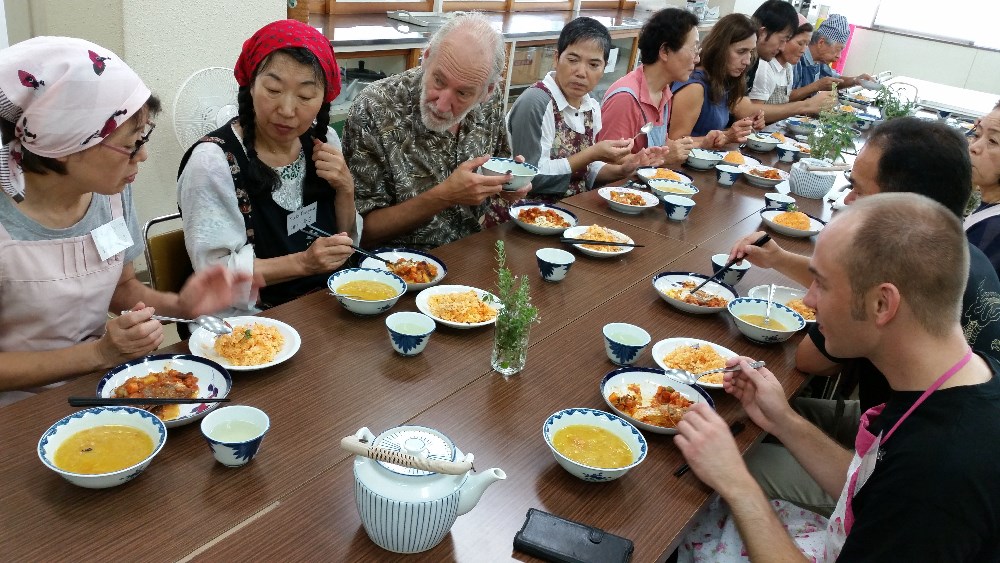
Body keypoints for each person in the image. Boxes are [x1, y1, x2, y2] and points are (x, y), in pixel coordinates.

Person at [677, 193, 1000, 560]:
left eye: (822, 284)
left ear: (882, 304)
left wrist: (738, 485)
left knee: (694, 513)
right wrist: (782, 419)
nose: (810, 300)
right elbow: (867, 487)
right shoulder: (955, 378)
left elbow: (903, 491)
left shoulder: (939, 476)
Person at [727, 116, 1000, 516]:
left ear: (898, 207)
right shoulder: (952, 255)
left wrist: (736, 482)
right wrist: (782, 260)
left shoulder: (943, 459)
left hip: (894, 469)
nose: (846, 201)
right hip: (885, 426)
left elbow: (812, 359)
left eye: (856, 188)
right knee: (754, 415)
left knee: (737, 459)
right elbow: (856, 286)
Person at [0, 37, 247, 406]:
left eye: (144, 136)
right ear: (67, 144)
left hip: (105, 388)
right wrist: (98, 354)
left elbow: (123, 289)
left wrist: (182, 304)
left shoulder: (110, 190)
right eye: (133, 142)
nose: (144, 155)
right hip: (18, 415)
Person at [178, 20, 361, 317]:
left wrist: (345, 189)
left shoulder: (323, 141)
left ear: (323, 99)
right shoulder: (213, 162)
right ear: (250, 84)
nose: (287, 110)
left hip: (324, 302)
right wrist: (303, 263)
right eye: (273, 89)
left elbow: (347, 240)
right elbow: (214, 276)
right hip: (249, 323)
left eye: (304, 96)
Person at [343, 12, 530, 250]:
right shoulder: (374, 108)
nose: (442, 105)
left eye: (463, 94)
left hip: (474, 250)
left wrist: (507, 186)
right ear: (427, 57)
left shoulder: (489, 103)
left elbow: (496, 171)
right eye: (439, 81)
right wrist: (446, 195)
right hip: (399, 268)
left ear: (487, 91)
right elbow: (360, 233)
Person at [505, 17, 667, 201]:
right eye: (573, 60)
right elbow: (530, 177)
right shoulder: (536, 103)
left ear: (604, 67)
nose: (581, 72)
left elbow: (586, 171)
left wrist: (622, 169)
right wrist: (591, 153)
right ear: (557, 59)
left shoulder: (591, 107)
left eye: (593, 65)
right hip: (525, 213)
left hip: (572, 207)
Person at [597, 8, 699, 166]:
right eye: (693, 49)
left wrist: (704, 142)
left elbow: (658, 145)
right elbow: (606, 163)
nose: (697, 58)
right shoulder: (626, 98)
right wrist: (664, 158)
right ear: (665, 51)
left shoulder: (664, 91)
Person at [732, 0, 832, 124]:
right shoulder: (747, 62)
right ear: (763, 33)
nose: (782, 47)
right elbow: (742, 110)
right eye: (782, 40)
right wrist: (806, 105)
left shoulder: (755, 61)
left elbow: (749, 110)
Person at [668, 13, 760, 146]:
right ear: (720, 48)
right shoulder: (695, 87)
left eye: (751, 52)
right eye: (741, 52)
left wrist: (744, 128)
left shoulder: (722, 80)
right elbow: (676, 142)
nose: (747, 61)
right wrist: (727, 136)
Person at [792, 14, 876, 96]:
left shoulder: (819, 63)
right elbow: (784, 98)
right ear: (821, 42)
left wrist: (855, 80)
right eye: (838, 49)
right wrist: (816, 86)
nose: (839, 56)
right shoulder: (795, 59)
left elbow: (835, 80)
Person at [964, 101, 1000, 274]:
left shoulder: (994, 232)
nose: (973, 147)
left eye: (993, 140)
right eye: (977, 135)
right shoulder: (989, 206)